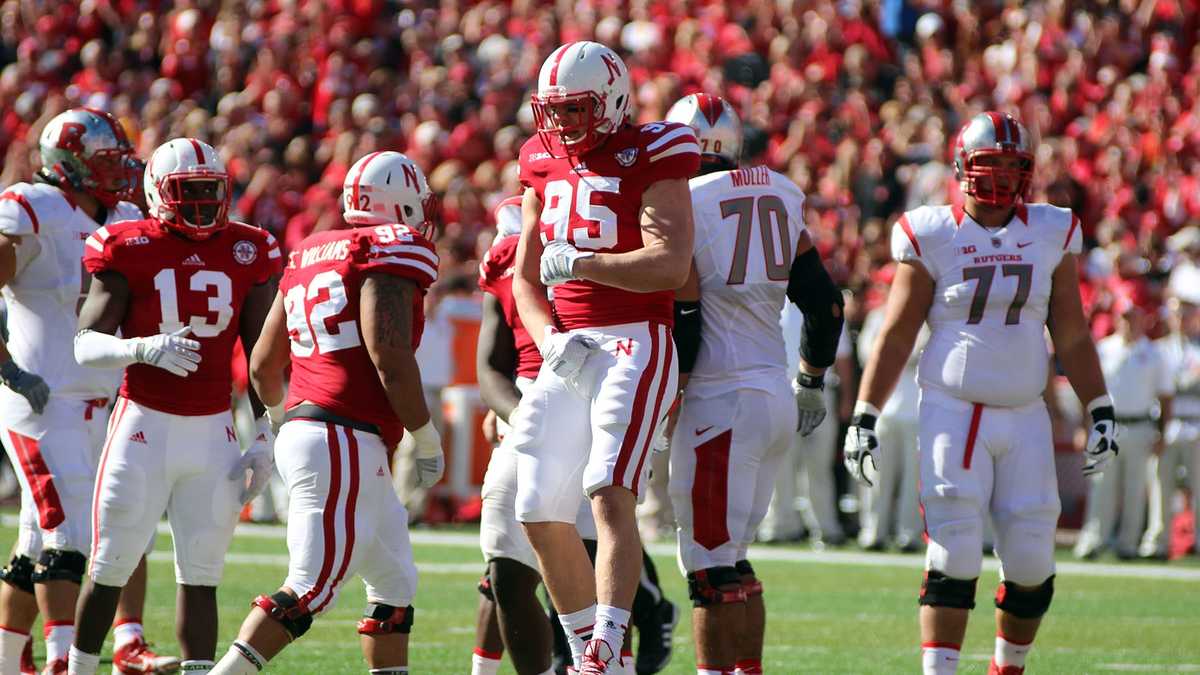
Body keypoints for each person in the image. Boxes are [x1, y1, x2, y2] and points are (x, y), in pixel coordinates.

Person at [845, 112, 1117, 675]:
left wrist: (1100, 406)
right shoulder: (933, 231)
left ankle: (1006, 669)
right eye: (990, 165)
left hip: (1024, 413)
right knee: (955, 548)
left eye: (1014, 167)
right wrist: (865, 413)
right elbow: (897, 332)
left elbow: (1070, 330)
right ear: (962, 168)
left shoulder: (1051, 229)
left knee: (1032, 561)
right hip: (954, 408)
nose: (1001, 180)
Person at [210, 151, 445, 675]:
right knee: (310, 587)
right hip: (345, 435)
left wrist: (277, 423)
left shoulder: (310, 251)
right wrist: (425, 435)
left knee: (394, 582)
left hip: (313, 427)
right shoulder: (390, 246)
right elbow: (387, 355)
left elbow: (264, 363)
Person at [509, 41, 699, 674]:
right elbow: (525, 280)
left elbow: (670, 266)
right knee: (535, 506)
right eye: (555, 110)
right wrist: (547, 339)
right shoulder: (540, 159)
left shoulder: (652, 151)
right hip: (569, 349)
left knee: (609, 491)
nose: (563, 123)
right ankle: (597, 650)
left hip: (633, 340)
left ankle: (607, 647)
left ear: (614, 101)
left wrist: (586, 264)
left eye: (578, 108)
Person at [70, 138, 281, 675]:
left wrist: (264, 433)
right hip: (143, 422)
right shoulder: (127, 244)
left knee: (203, 574)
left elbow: (261, 354)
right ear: (158, 194)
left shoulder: (249, 248)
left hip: (213, 431)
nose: (203, 204)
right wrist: (139, 348)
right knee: (110, 563)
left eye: (211, 192)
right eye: (190, 193)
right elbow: (85, 343)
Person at [663, 94, 844, 675]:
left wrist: (668, 397)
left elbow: (686, 320)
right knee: (736, 562)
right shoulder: (783, 191)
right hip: (773, 392)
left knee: (708, 570)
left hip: (719, 399)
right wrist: (812, 380)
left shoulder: (684, 201)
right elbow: (826, 304)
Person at [0, 108, 177, 675]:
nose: (118, 172)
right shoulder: (33, 206)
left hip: (108, 399)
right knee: (70, 532)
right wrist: (7, 368)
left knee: (52, 538)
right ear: (68, 164)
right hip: (42, 402)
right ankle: (63, 659)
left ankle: (16, 658)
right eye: (105, 161)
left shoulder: (125, 215)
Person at [473, 198, 677, 675]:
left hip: (609, 376)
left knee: (598, 525)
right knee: (507, 560)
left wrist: (668, 394)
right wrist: (517, 413)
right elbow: (491, 364)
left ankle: (626, 637)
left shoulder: (611, 245)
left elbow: (673, 306)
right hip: (538, 393)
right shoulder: (509, 258)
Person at [1074, 301, 1172, 559]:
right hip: (1107, 424)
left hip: (1140, 424)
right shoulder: (1104, 349)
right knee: (1100, 485)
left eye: (1133, 317)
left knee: (1135, 487)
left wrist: (1162, 431)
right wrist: (1084, 427)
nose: (1129, 323)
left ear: (1142, 319)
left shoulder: (1153, 353)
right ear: (1117, 319)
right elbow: (1090, 391)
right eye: (1124, 317)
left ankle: (1128, 543)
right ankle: (1094, 539)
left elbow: (1165, 396)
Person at [856, 278, 927, 552]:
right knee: (875, 475)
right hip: (883, 409)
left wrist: (893, 350)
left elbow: (916, 352)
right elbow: (868, 355)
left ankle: (908, 534)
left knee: (913, 480)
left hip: (917, 408)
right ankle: (873, 531)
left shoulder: (925, 318)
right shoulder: (876, 317)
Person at [1142, 292, 1200, 559]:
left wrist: (1180, 386)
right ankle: (1158, 540)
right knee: (1160, 485)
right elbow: (1156, 388)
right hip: (1165, 424)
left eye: (1186, 314)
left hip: (1195, 423)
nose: (1182, 320)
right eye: (1177, 314)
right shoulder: (1159, 349)